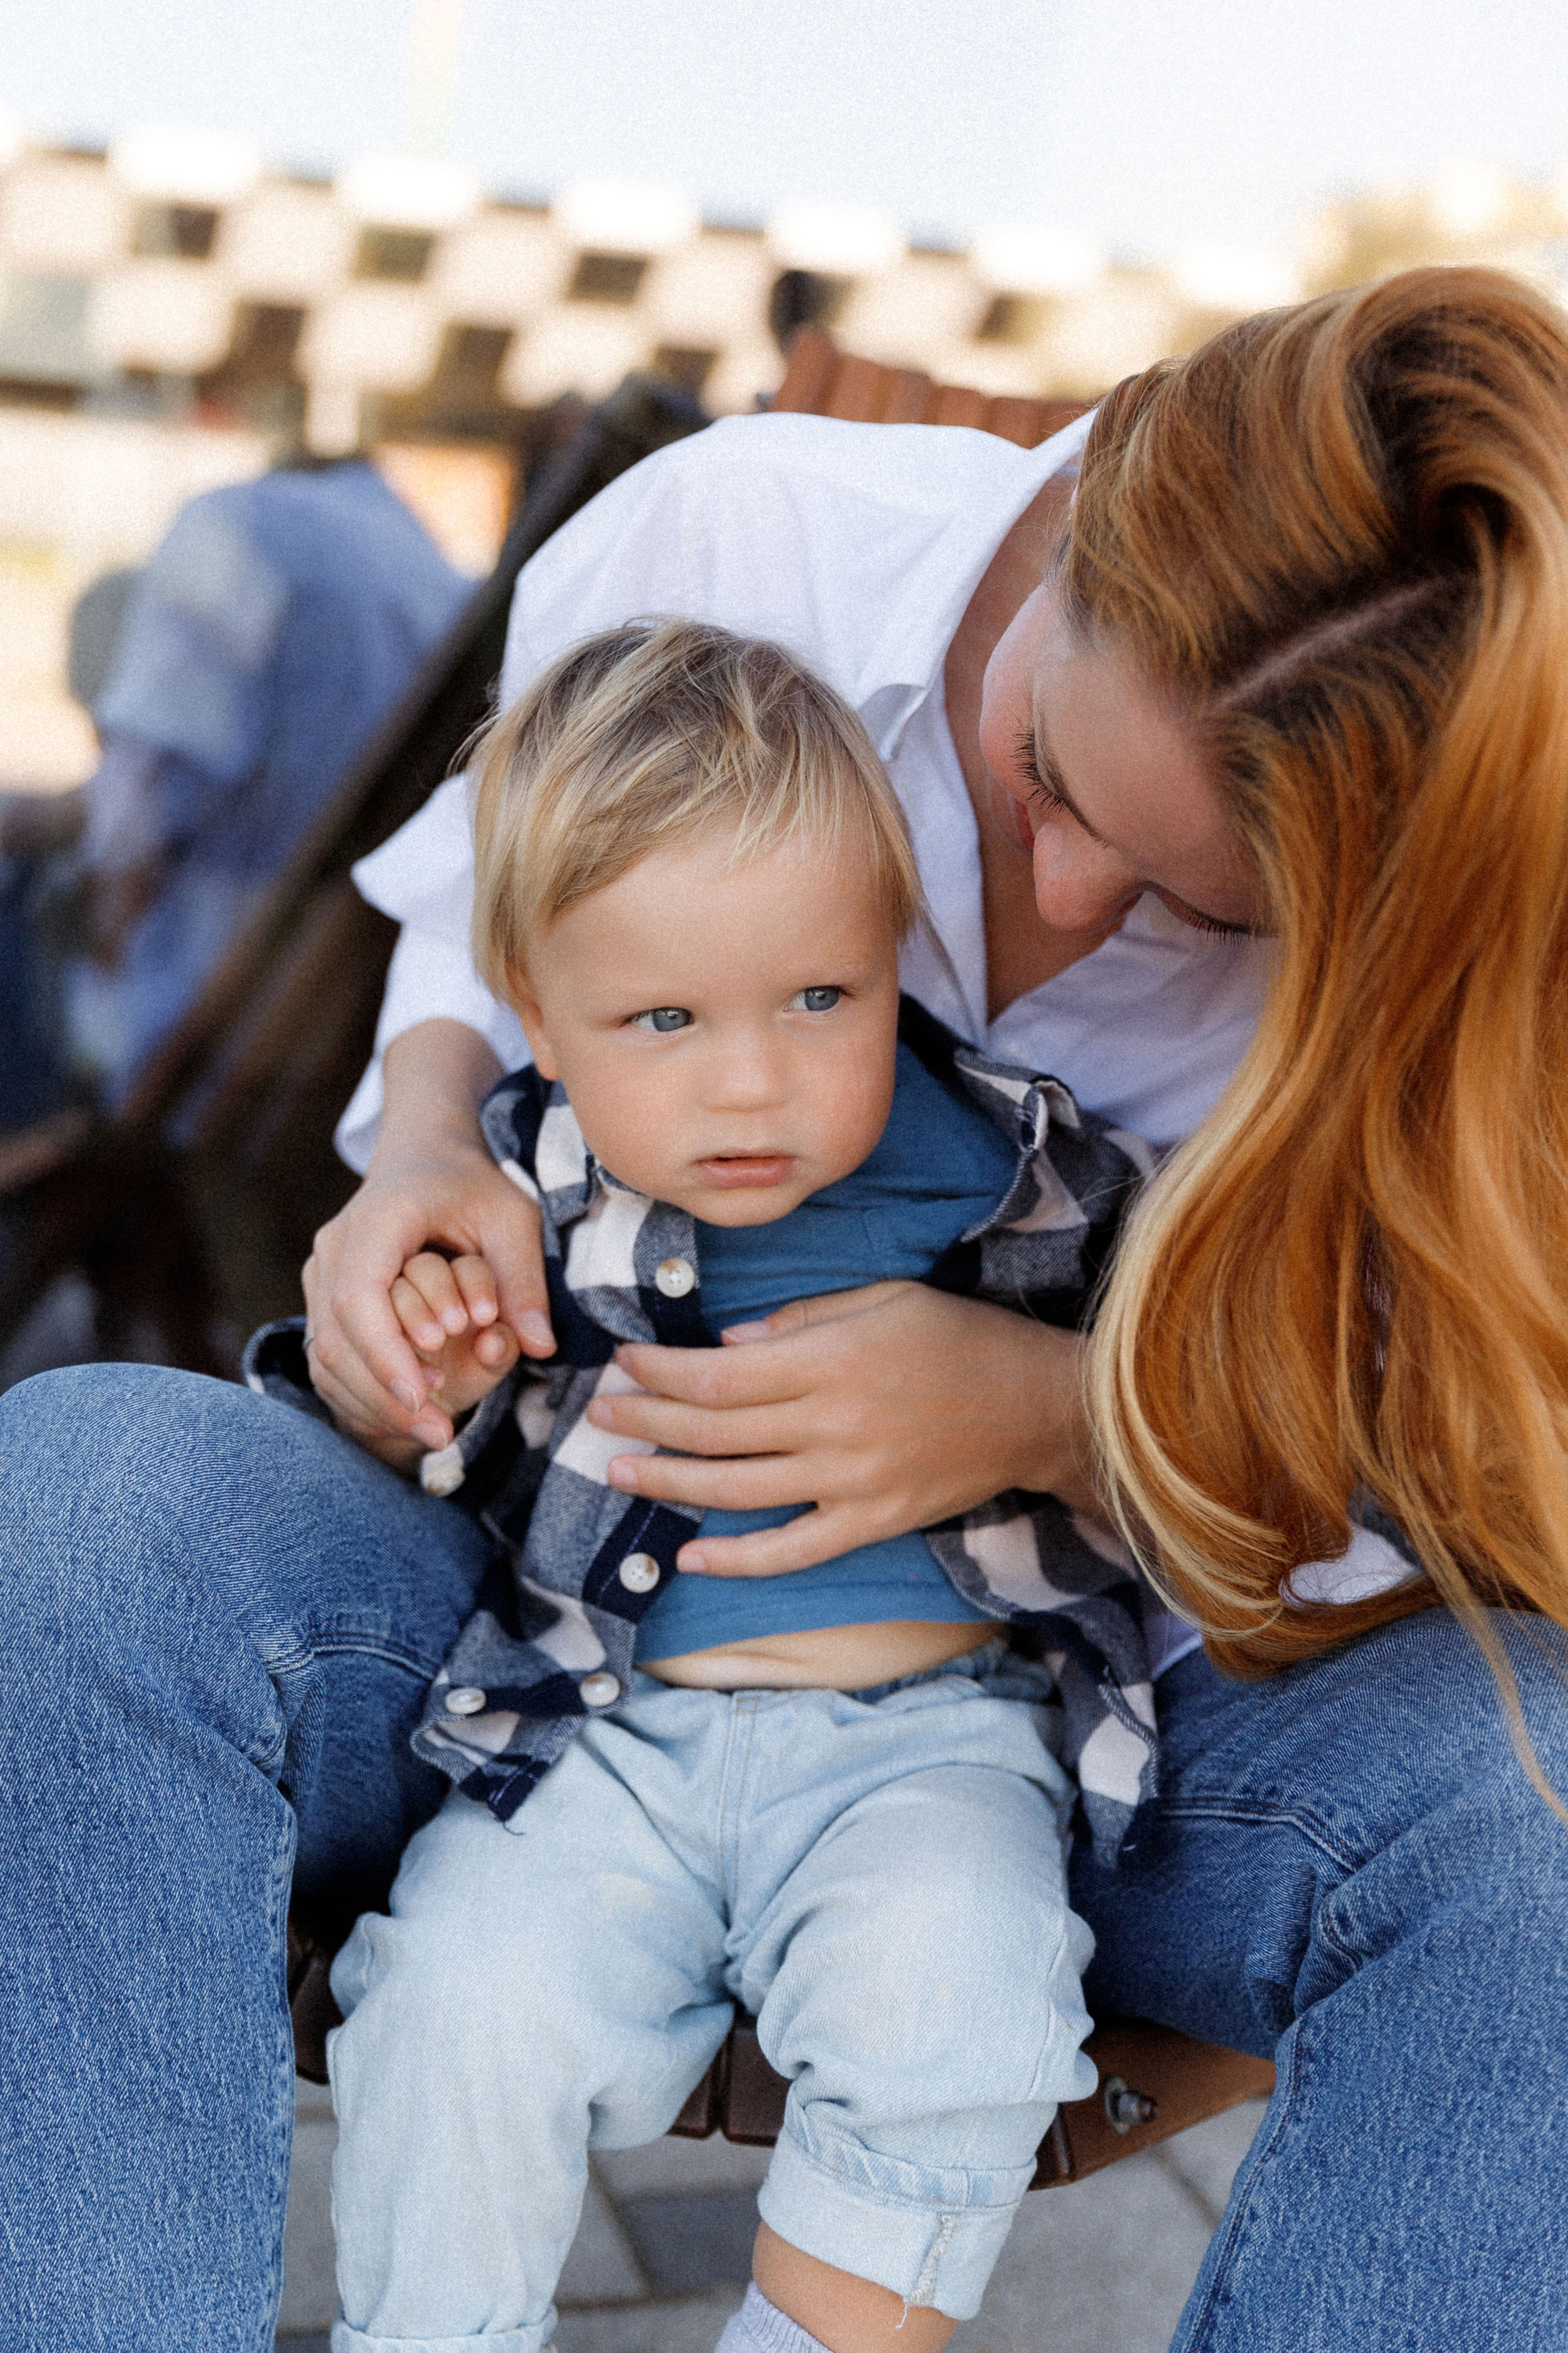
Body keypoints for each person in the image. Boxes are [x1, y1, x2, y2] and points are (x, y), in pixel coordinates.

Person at [2, 263, 1566, 2352]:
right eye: (1047, 772)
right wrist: (435, 1157)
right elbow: (485, 939)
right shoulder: (737, 548)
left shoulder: (1496, 900)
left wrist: (1059, 1411)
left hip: (1097, 1716)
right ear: (1081, 512)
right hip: (551, 1629)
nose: (1076, 902)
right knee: (79, 1495)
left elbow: (1464, 1424)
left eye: (1215, 913)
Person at [0, 458, 469, 1125]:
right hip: (326, 1032)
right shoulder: (428, 573)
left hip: (191, 1043)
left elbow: (127, 834)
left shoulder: (246, 528)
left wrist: (104, 1002)